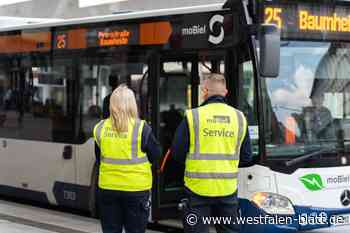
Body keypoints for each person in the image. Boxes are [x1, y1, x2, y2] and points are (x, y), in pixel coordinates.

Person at [170, 73, 252, 233]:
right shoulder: (239, 118)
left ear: (204, 91)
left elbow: (177, 152)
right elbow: (246, 157)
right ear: (226, 92)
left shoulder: (193, 116)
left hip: (197, 190)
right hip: (227, 190)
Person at [93, 84, 161, 233]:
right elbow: (156, 155)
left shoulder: (100, 128)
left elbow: (99, 159)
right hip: (136, 190)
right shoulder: (142, 128)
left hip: (108, 189)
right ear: (132, 104)